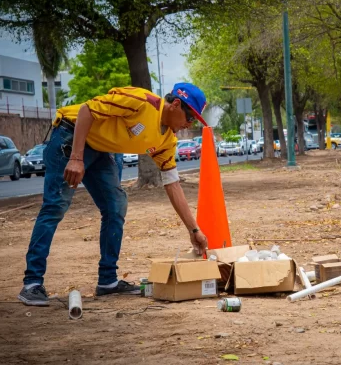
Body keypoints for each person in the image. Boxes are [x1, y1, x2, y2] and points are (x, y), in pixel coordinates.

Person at [18, 83, 209, 306]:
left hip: (100, 148)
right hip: (72, 134)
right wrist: (76, 158)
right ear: (176, 104)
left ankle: (107, 281)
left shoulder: (167, 141)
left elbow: (173, 184)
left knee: (116, 205)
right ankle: (32, 283)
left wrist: (193, 230)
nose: (189, 125)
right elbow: (86, 110)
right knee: (56, 205)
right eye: (190, 118)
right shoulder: (142, 102)